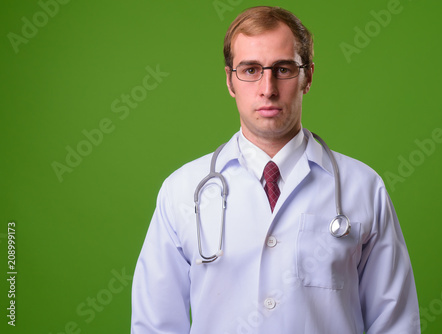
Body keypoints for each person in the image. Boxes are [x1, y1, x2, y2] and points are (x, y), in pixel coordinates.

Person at [131, 6, 420, 334]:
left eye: (283, 69)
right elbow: (156, 325)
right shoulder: (182, 191)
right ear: (230, 81)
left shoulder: (363, 188)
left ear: (307, 76)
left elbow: (395, 322)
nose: (267, 88)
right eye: (251, 70)